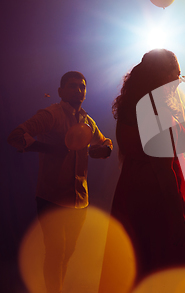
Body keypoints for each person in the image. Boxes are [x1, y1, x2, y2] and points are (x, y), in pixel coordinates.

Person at [100, 49, 185, 291]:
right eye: (174, 74)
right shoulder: (156, 111)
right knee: (163, 262)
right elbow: (162, 168)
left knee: (138, 259)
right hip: (159, 196)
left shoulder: (130, 107)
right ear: (161, 76)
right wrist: (178, 216)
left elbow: (127, 151)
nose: (178, 80)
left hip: (132, 190)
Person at [7, 71, 113, 293]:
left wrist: (104, 150)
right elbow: (15, 136)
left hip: (79, 200)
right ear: (60, 91)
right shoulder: (50, 114)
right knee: (56, 253)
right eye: (73, 86)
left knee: (67, 254)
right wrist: (49, 149)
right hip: (51, 197)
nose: (78, 90)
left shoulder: (87, 121)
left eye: (82, 87)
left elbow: (105, 143)